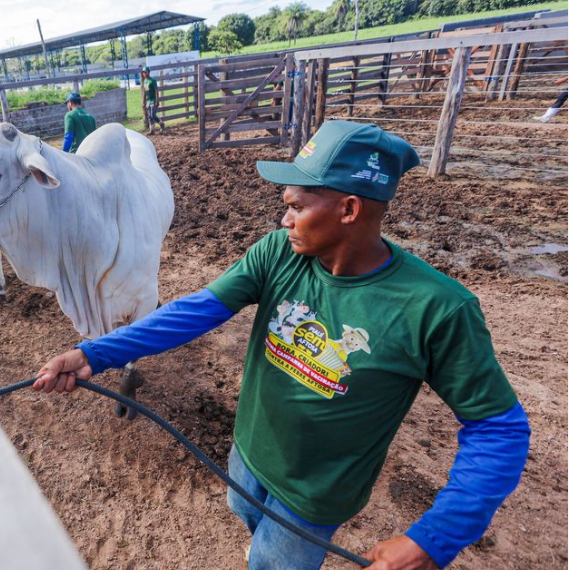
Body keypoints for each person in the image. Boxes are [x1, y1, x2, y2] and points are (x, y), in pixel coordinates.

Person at [33, 120, 530, 570]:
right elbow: (196, 310)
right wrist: (94, 353)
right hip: (249, 449)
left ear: (349, 209)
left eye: (295, 206)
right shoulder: (278, 254)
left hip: (314, 494)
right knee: (242, 508)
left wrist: (432, 539)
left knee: (276, 562)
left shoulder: (437, 309)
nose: (284, 220)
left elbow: (498, 430)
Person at [141, 66, 167, 135]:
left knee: (153, 115)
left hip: (153, 100)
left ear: (149, 72)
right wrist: (143, 102)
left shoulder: (153, 81)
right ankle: (151, 130)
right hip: (148, 101)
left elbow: (156, 90)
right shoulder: (145, 81)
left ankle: (161, 124)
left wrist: (157, 100)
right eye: (143, 72)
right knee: (149, 116)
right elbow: (144, 92)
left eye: (145, 72)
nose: (144, 74)